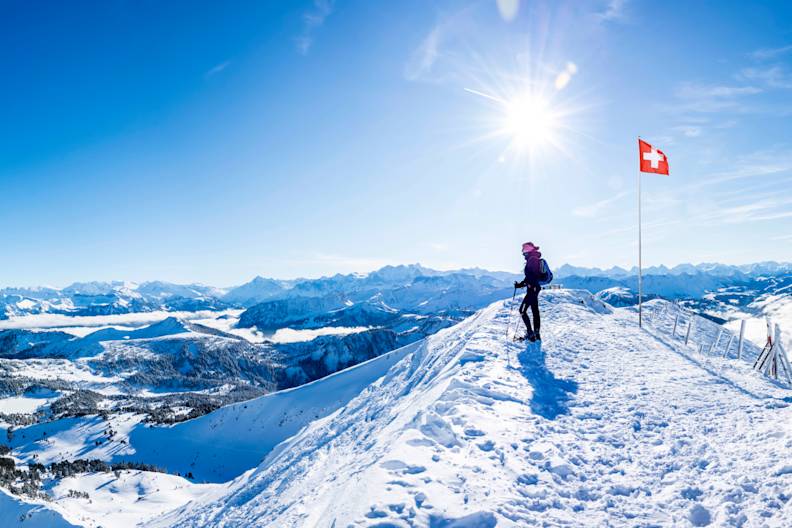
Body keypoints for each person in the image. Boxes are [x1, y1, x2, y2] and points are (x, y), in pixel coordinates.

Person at [514, 242, 543, 342]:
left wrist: (531, 284)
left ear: (528, 250)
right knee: (535, 311)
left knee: (522, 310)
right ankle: (536, 334)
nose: (523, 253)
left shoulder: (532, 259)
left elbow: (533, 276)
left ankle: (531, 334)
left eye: (524, 250)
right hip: (534, 288)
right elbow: (529, 276)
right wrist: (521, 284)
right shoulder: (534, 259)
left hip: (533, 289)